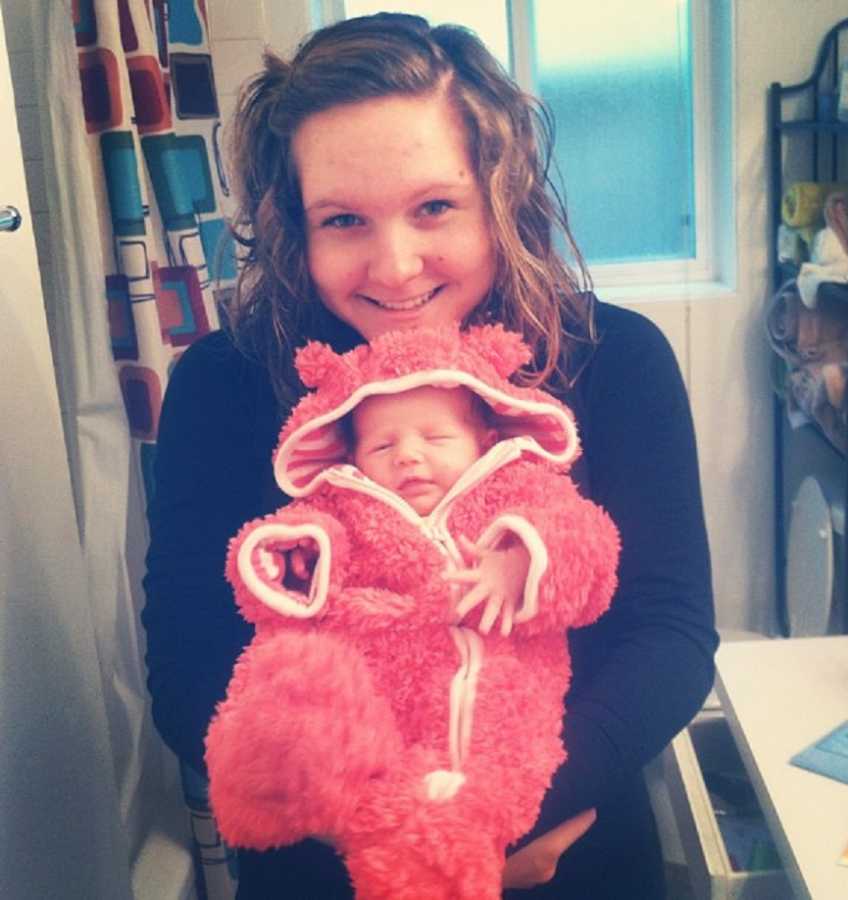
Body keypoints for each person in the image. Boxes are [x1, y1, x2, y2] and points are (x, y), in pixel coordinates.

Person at [141, 11, 718, 898]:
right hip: (326, 871)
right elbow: (188, 670)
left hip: (571, 849)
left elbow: (672, 634)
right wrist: (384, 833)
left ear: (504, 191)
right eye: (343, 220)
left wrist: (484, 821)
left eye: (434, 206)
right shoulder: (225, 385)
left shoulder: (615, 360)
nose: (397, 266)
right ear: (294, 226)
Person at [203, 323, 622, 899]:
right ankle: (278, 777)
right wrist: (295, 559)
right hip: (382, 723)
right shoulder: (345, 505)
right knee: (296, 683)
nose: (408, 456)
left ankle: (439, 866)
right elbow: (292, 543)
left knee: (474, 812)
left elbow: (589, 547)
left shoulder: (521, 490)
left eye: (435, 437)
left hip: (503, 723)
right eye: (383, 445)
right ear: (350, 456)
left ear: (484, 437)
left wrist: (522, 562)